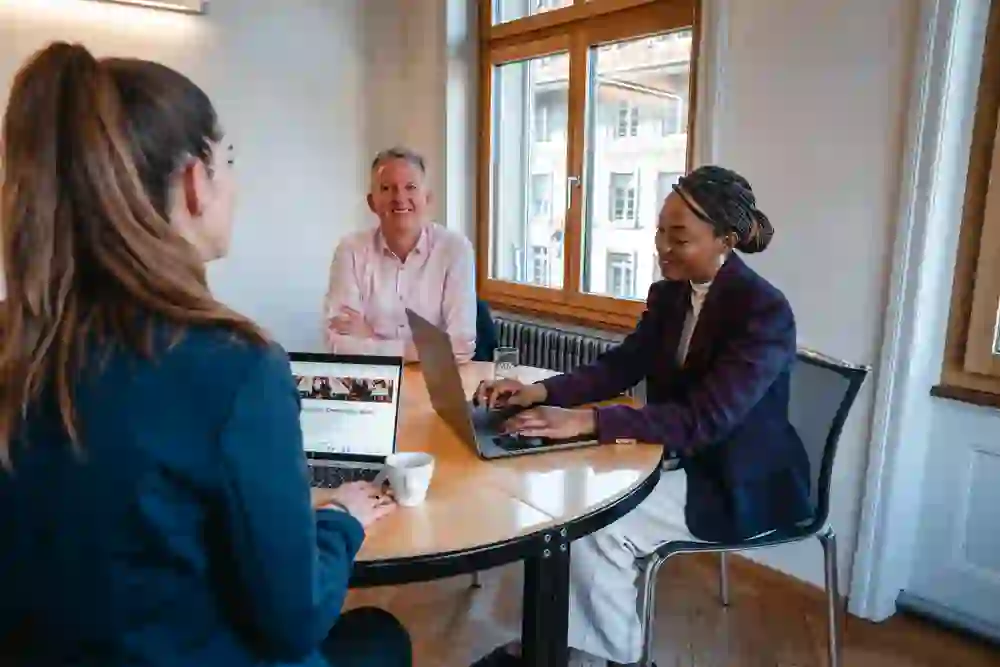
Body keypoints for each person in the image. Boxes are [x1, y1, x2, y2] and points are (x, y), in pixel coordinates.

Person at [0, 43, 410, 667]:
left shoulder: (18, 344)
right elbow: (293, 618)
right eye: (231, 160)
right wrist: (343, 520)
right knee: (381, 637)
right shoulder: (236, 368)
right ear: (196, 180)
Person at [471, 166, 811, 667]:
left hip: (735, 480)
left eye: (679, 237)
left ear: (725, 240)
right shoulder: (670, 293)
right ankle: (559, 645)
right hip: (675, 452)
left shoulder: (763, 311)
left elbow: (704, 420)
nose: (662, 248)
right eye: (658, 231)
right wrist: (538, 391)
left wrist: (588, 422)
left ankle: (615, 659)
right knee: (563, 497)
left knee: (596, 528)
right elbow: (622, 365)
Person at [323, 147, 476, 363]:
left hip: (437, 384)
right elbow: (337, 342)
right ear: (371, 202)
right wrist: (424, 350)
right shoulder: (350, 250)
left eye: (410, 187)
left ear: (427, 198)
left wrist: (372, 339)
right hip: (372, 382)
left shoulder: (455, 249)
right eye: (387, 188)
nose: (400, 197)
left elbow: (461, 346)